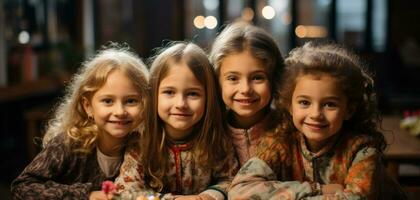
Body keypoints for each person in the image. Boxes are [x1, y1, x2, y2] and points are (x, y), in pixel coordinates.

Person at [228, 42, 406, 199]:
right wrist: (317, 189)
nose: (316, 114)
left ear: (349, 109)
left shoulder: (361, 151)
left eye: (329, 104)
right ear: (290, 106)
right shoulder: (282, 141)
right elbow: (239, 190)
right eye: (304, 102)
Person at [11, 43, 149, 200]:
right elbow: (21, 187)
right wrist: (86, 194)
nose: (119, 112)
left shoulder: (143, 145)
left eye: (131, 101)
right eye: (108, 101)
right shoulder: (69, 143)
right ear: (88, 106)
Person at [114, 42, 238, 200]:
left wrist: (206, 197)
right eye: (169, 92)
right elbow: (126, 188)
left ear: (209, 97)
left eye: (193, 94)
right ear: (154, 95)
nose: (181, 104)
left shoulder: (216, 137)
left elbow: (231, 180)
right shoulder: (141, 140)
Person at [209, 22, 285, 166]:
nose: (245, 89)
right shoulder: (210, 133)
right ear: (217, 81)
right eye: (233, 78)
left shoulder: (288, 130)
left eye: (257, 78)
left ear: (274, 78)